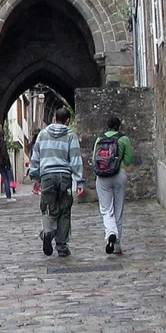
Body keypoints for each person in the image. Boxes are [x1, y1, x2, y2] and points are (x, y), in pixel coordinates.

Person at [29, 106, 85, 257]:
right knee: (64, 210)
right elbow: (75, 158)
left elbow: (35, 157)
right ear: (68, 120)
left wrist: (35, 176)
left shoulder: (42, 134)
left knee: (47, 207)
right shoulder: (70, 135)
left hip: (47, 175)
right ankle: (61, 246)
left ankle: (48, 231)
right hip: (64, 177)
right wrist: (79, 181)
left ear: (54, 118)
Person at [92, 116, 134, 254]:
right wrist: (117, 166)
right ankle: (117, 245)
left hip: (102, 177)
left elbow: (94, 159)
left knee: (106, 209)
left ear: (107, 126)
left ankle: (110, 233)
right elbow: (128, 160)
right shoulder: (124, 139)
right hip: (118, 175)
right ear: (119, 126)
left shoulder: (99, 139)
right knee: (118, 210)